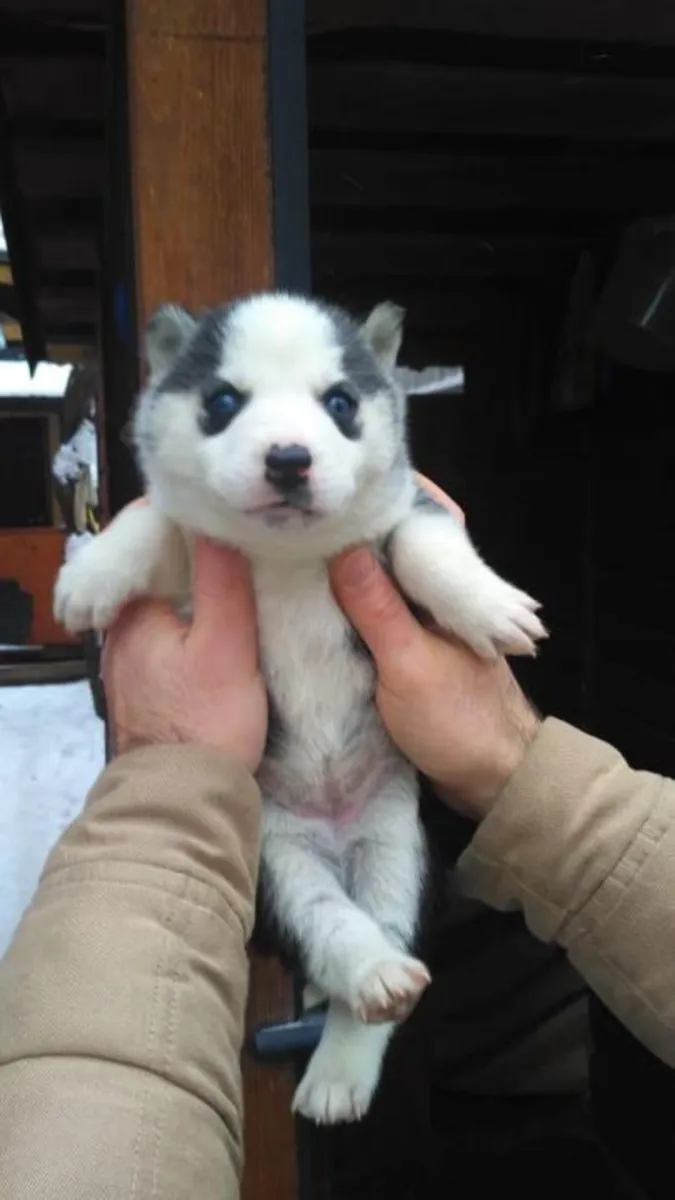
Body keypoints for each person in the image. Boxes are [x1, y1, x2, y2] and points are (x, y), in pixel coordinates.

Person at [0, 491, 674, 1197]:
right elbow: (165, 521)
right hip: (281, 789)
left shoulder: (358, 485)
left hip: (371, 767)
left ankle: (360, 1023)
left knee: (386, 880)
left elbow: (418, 528)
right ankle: (353, 982)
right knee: (306, 889)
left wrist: (460, 593)